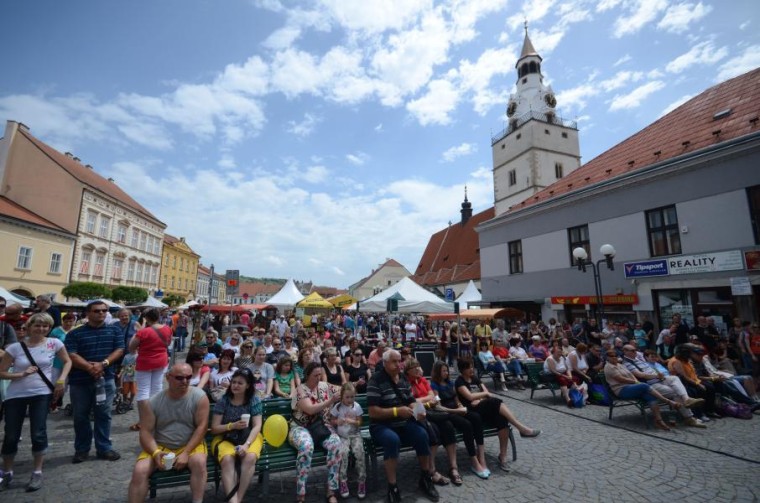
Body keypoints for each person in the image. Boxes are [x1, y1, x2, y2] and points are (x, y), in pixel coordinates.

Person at [0, 313, 71, 491]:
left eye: (45, 326)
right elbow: (1, 372)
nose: (41, 329)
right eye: (37, 325)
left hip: (41, 393)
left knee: (38, 432)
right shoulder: (15, 348)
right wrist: (20, 374)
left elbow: (67, 361)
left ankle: (37, 472)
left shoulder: (54, 343)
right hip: (16, 395)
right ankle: (7, 472)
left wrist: (61, 379)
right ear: (29, 327)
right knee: (11, 434)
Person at [127, 363, 210, 503]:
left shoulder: (199, 397)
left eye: (188, 377)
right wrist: (155, 453)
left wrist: (186, 453)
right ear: (168, 377)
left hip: (189, 444)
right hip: (161, 445)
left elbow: (202, 427)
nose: (184, 381)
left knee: (199, 462)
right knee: (139, 470)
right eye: (179, 378)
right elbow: (145, 432)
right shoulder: (154, 402)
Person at [367, 349, 439, 503]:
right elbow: (373, 412)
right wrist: (395, 411)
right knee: (392, 440)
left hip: (404, 423)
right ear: (385, 363)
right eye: (394, 361)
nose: (398, 365)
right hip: (382, 425)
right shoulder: (375, 380)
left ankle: (425, 478)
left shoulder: (403, 380)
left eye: (399, 361)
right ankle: (392, 486)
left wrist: (418, 410)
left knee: (422, 434)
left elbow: (411, 400)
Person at [65, 300, 125, 464]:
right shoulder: (75, 333)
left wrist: (102, 364)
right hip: (80, 381)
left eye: (104, 311)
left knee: (104, 415)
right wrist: (89, 367)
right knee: (80, 416)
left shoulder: (114, 330)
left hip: (105, 380)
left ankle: (104, 448)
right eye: (97, 311)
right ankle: (82, 449)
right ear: (88, 313)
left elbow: (119, 350)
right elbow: (71, 354)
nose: (101, 313)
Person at [455, 357, 540, 472]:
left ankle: (503, 456)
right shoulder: (459, 381)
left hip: (482, 406)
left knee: (501, 418)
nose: (471, 369)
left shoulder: (474, 378)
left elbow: (487, 394)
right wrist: (483, 395)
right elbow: (470, 397)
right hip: (472, 412)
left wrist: (480, 399)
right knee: (495, 402)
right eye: (468, 367)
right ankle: (521, 428)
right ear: (462, 369)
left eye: (472, 366)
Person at [289, 362, 343, 503]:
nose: (318, 378)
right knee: (306, 447)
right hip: (300, 427)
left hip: (321, 428)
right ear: (307, 375)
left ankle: (331, 490)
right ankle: (301, 493)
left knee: (336, 444)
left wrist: (346, 390)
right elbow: (310, 409)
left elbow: (342, 389)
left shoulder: (324, 386)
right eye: (315, 375)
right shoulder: (300, 390)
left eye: (320, 374)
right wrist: (330, 400)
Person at [210, 368, 263, 503]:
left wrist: (246, 445)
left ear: (248, 386)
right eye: (233, 382)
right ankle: (233, 500)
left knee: (250, 457)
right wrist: (231, 426)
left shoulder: (254, 400)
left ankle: (237, 498)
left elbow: (257, 426)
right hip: (225, 438)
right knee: (227, 459)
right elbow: (214, 429)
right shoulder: (224, 401)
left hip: (249, 437)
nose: (235, 385)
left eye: (240, 383)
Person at [429, 360, 487, 483]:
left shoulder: (450, 383)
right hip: (447, 412)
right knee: (466, 425)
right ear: (437, 372)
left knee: (475, 418)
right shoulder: (434, 385)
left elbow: (456, 399)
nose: (446, 373)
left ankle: (479, 454)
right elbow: (438, 406)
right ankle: (473, 458)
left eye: (446, 370)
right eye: (443, 371)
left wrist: (460, 406)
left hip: (456, 409)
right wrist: (456, 411)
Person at [622, 346, 707, 428]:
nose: (635, 352)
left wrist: (660, 373)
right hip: (651, 385)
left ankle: (686, 399)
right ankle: (689, 418)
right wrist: (656, 376)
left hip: (660, 379)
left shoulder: (637, 358)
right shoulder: (627, 363)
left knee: (674, 378)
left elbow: (650, 354)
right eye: (632, 351)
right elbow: (641, 375)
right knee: (676, 392)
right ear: (625, 351)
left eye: (635, 350)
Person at [404, 359, 455, 486]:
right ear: (407, 371)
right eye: (413, 367)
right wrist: (425, 401)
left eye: (418, 366)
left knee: (448, 426)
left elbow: (432, 396)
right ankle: (431, 469)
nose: (417, 369)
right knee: (433, 432)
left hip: (432, 412)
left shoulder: (422, 380)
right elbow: (411, 402)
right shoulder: (406, 383)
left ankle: (453, 467)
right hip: (420, 415)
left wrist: (420, 400)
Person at [604, 349, 682, 430]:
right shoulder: (609, 367)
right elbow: (620, 379)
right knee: (644, 385)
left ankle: (659, 420)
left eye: (615, 356)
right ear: (607, 358)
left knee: (650, 396)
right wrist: (635, 382)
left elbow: (631, 374)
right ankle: (668, 401)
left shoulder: (620, 365)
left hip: (631, 387)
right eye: (611, 356)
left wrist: (636, 381)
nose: (614, 358)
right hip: (621, 390)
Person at [129, 308, 172, 430]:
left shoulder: (143, 332)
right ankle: (156, 418)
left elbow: (131, 347)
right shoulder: (167, 329)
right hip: (161, 361)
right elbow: (168, 344)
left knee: (143, 391)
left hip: (145, 362)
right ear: (158, 316)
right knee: (157, 389)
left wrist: (138, 332)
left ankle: (143, 421)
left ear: (146, 318)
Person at [330, 383, 367, 500]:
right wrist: (337, 422)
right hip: (342, 436)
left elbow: (360, 422)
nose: (350, 400)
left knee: (360, 453)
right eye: (347, 397)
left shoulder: (357, 407)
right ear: (342, 396)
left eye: (352, 397)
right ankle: (343, 481)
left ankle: (361, 482)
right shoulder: (338, 407)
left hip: (355, 435)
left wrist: (353, 421)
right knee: (343, 454)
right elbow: (331, 420)